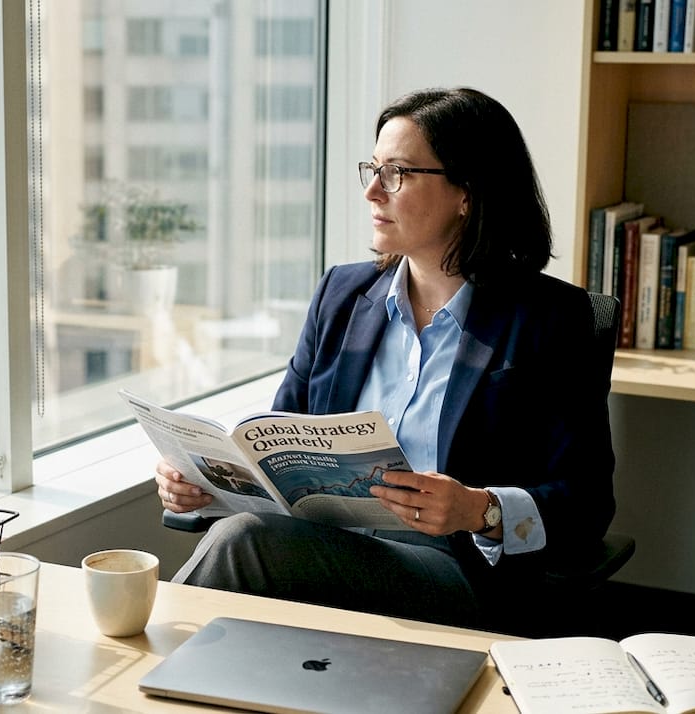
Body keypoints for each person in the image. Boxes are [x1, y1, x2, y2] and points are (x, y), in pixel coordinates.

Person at [154, 88, 616, 631]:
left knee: (244, 543)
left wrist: (478, 509)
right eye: (372, 170)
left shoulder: (552, 320)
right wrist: (208, 485)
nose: (373, 191)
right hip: (325, 545)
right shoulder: (342, 295)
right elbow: (276, 447)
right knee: (240, 538)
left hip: (455, 573)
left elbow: (587, 504)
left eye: (396, 173)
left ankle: (146, 663)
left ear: (467, 193)